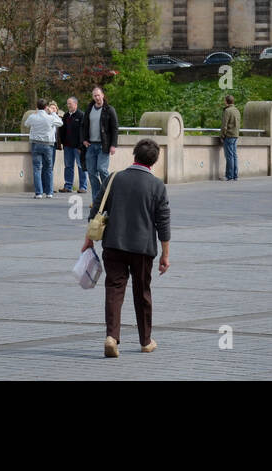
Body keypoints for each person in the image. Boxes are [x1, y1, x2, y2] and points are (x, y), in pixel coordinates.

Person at [81, 138, 170, 358]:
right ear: (154, 162)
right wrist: (165, 255)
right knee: (142, 293)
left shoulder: (114, 178)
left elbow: (96, 208)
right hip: (142, 248)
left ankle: (112, 337)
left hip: (114, 244)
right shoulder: (157, 185)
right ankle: (145, 341)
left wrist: (89, 239)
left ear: (134, 156)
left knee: (114, 289)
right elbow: (163, 222)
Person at [82, 86, 119, 208]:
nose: (97, 97)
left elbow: (114, 128)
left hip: (104, 145)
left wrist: (113, 145)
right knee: (92, 172)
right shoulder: (89, 109)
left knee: (102, 169)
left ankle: (110, 194)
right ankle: (97, 201)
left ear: (103, 95)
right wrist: (84, 140)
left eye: (98, 95)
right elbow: (84, 126)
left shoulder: (109, 110)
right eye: (94, 95)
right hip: (91, 145)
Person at [24, 101, 63, 198]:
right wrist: (53, 112)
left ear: (37, 107)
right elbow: (60, 123)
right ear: (46, 107)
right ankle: (49, 192)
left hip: (36, 143)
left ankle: (39, 193)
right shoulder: (50, 118)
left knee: (37, 168)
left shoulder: (33, 116)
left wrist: (35, 113)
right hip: (48, 144)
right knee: (48, 168)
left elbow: (26, 124)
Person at [58, 96, 88, 194]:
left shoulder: (81, 115)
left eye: (70, 104)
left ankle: (83, 187)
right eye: (67, 104)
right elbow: (62, 130)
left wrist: (81, 146)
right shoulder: (66, 116)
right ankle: (68, 186)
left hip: (78, 147)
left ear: (76, 104)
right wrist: (62, 142)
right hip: (67, 146)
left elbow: (83, 131)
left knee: (81, 166)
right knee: (68, 166)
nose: (68, 105)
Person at [220, 95, 241, 181]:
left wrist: (222, 135)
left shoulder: (227, 111)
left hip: (229, 136)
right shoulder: (237, 110)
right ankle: (235, 175)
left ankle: (229, 176)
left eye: (224, 100)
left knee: (229, 156)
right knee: (234, 156)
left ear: (226, 101)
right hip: (235, 135)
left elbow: (224, 125)